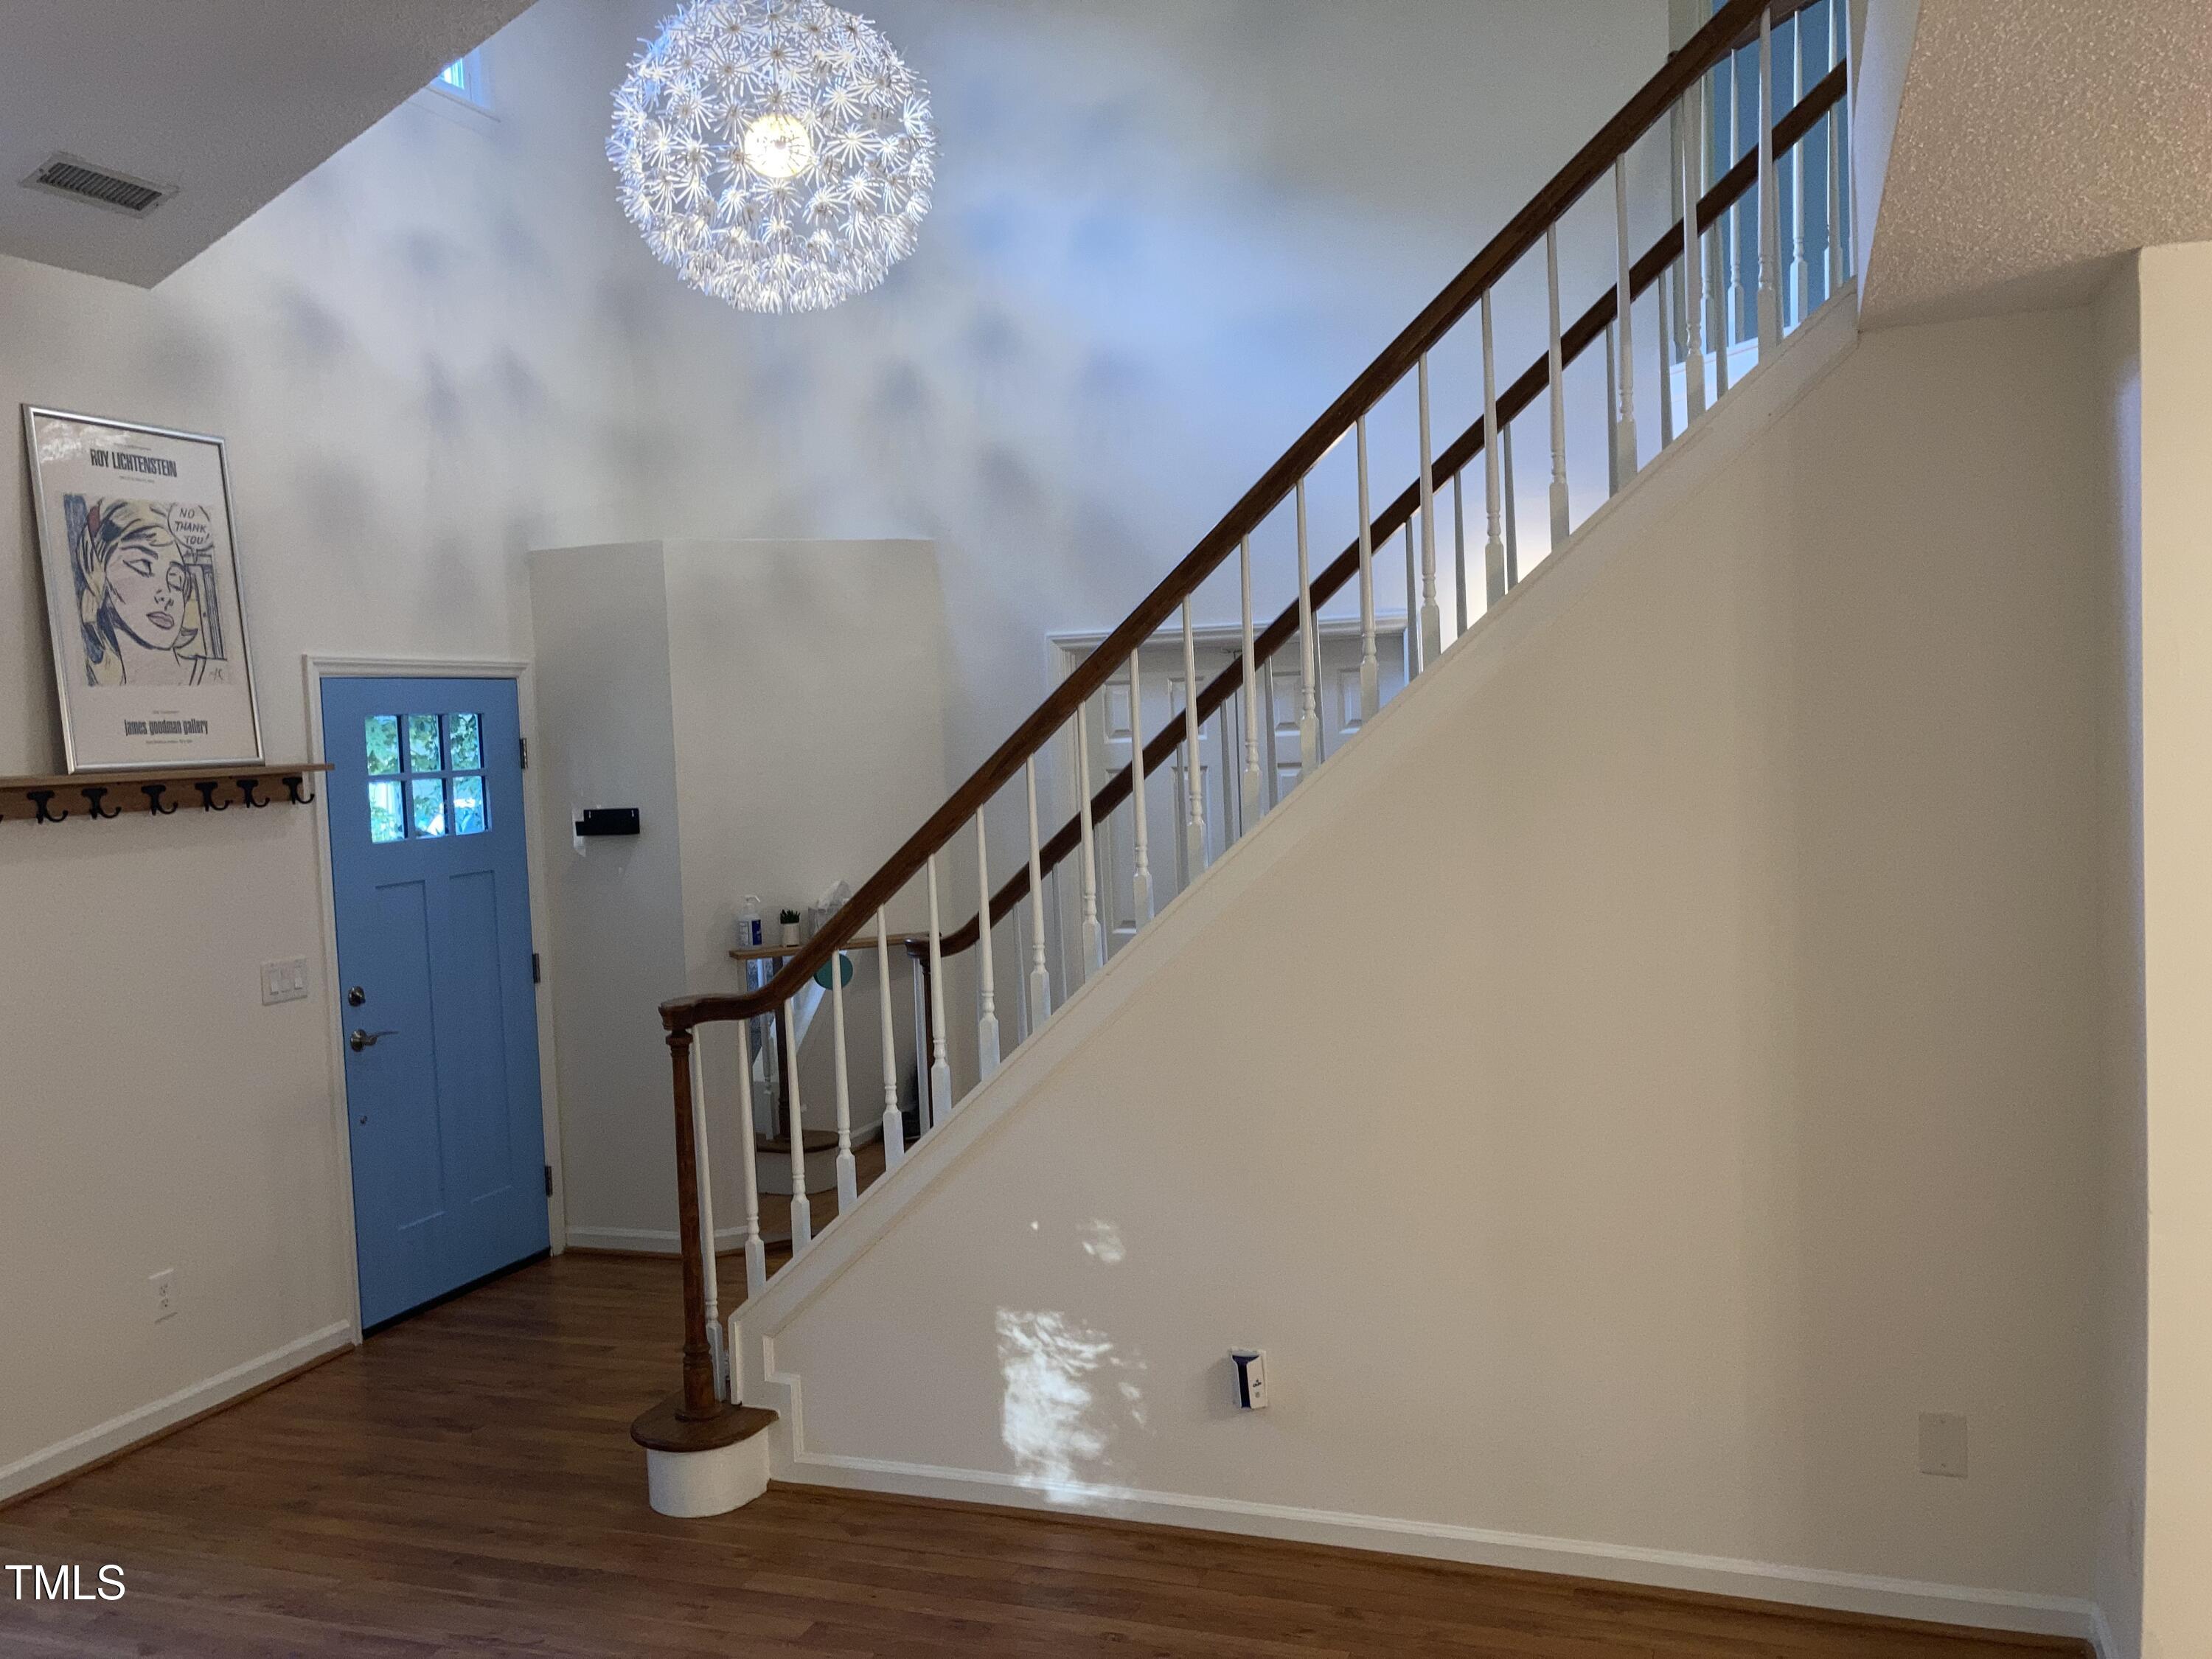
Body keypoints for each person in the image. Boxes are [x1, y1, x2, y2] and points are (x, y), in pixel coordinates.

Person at [68, 497, 223, 687]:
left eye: (176, 579)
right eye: (143, 565)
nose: (166, 595)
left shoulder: (216, 678)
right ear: (99, 574)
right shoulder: (101, 687)